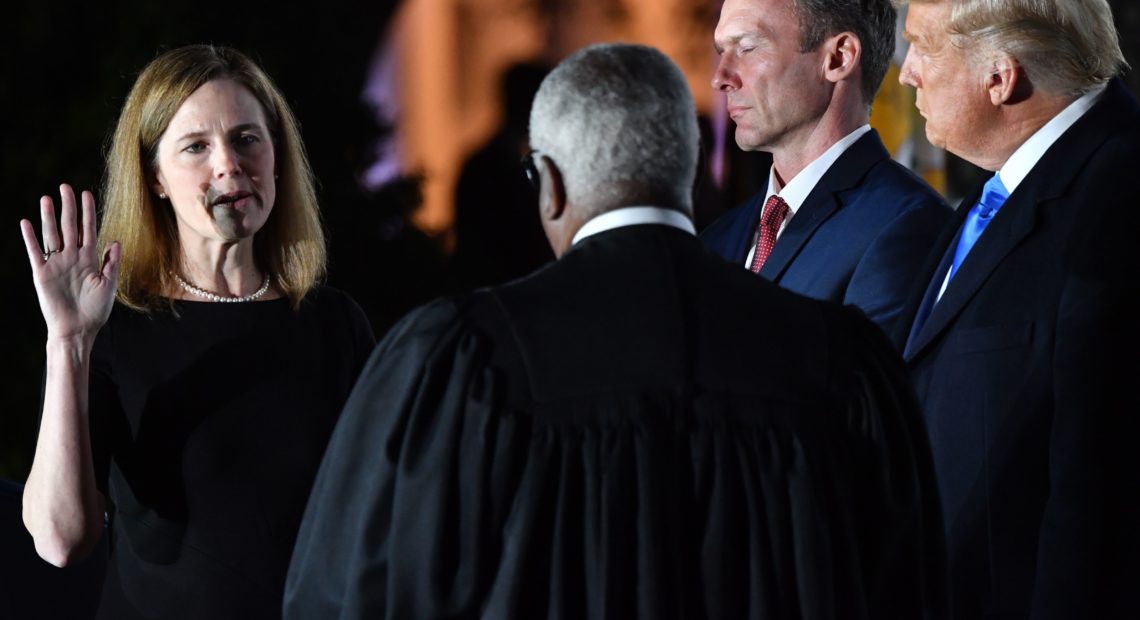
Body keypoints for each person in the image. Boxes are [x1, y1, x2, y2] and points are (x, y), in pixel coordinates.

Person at [284, 43, 945, 619]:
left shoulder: (464, 359)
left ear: (547, 185)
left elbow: (352, 593)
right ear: (686, 175)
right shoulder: (839, 358)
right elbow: (908, 589)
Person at [19, 45, 375, 619]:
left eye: (247, 138)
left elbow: (381, 516)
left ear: (277, 157)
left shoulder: (335, 324)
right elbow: (60, 542)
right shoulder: (110, 329)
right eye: (196, 147)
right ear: (155, 178)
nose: (229, 164)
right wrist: (67, 343)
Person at [892, 1, 1140, 616]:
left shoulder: (1119, 203)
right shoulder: (1000, 183)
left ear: (1000, 78)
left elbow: (1100, 490)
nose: (904, 74)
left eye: (921, 47)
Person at [700, 0, 949, 335]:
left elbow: (867, 386)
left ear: (838, 58)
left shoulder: (909, 225)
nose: (721, 77)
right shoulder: (717, 238)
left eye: (747, 47)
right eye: (721, 50)